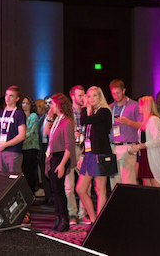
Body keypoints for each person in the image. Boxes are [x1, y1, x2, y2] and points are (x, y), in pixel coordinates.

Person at [75, 86, 113, 224]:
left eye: (94, 96)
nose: (91, 99)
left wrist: (85, 107)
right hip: (89, 154)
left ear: (100, 97)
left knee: (100, 189)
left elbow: (84, 120)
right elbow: (88, 137)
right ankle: (93, 219)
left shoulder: (104, 112)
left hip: (100, 154)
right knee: (80, 189)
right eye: (89, 96)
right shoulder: (94, 114)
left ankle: (99, 222)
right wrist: (83, 155)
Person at [43, 93, 76, 232]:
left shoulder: (67, 122)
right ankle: (58, 217)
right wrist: (50, 115)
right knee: (55, 191)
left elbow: (69, 146)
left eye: (53, 104)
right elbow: (45, 132)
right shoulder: (57, 120)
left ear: (59, 105)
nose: (51, 106)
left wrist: (62, 164)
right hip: (53, 156)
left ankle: (64, 219)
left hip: (61, 156)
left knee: (59, 190)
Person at [129, 96, 160, 187]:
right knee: (147, 187)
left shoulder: (153, 120)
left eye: (140, 105)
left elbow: (156, 141)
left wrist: (139, 146)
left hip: (153, 157)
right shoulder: (145, 121)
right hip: (145, 155)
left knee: (156, 187)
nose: (138, 107)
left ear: (146, 106)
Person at [109, 79, 142, 187]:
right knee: (114, 183)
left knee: (128, 182)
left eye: (118, 92)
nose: (115, 95)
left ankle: (130, 204)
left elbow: (142, 125)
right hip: (113, 146)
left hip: (128, 146)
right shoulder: (110, 108)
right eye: (113, 93)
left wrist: (129, 122)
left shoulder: (134, 105)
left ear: (124, 90)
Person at [0, 86, 26, 173]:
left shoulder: (19, 114)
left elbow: (22, 135)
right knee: (3, 179)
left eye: (11, 96)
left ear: (17, 99)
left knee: (14, 179)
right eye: (6, 95)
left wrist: (5, 144)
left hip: (13, 152)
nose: (7, 98)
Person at [65, 85, 89, 224]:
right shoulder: (68, 113)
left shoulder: (88, 111)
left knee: (85, 184)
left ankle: (83, 213)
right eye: (80, 95)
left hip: (84, 148)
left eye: (83, 95)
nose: (82, 98)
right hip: (71, 148)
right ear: (72, 96)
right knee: (69, 185)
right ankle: (72, 213)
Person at [21, 96, 39, 194]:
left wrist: (20, 140)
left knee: (29, 171)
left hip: (31, 146)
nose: (25, 105)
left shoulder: (33, 116)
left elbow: (31, 132)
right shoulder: (20, 115)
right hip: (21, 147)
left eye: (27, 103)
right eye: (23, 103)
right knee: (23, 172)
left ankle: (30, 193)